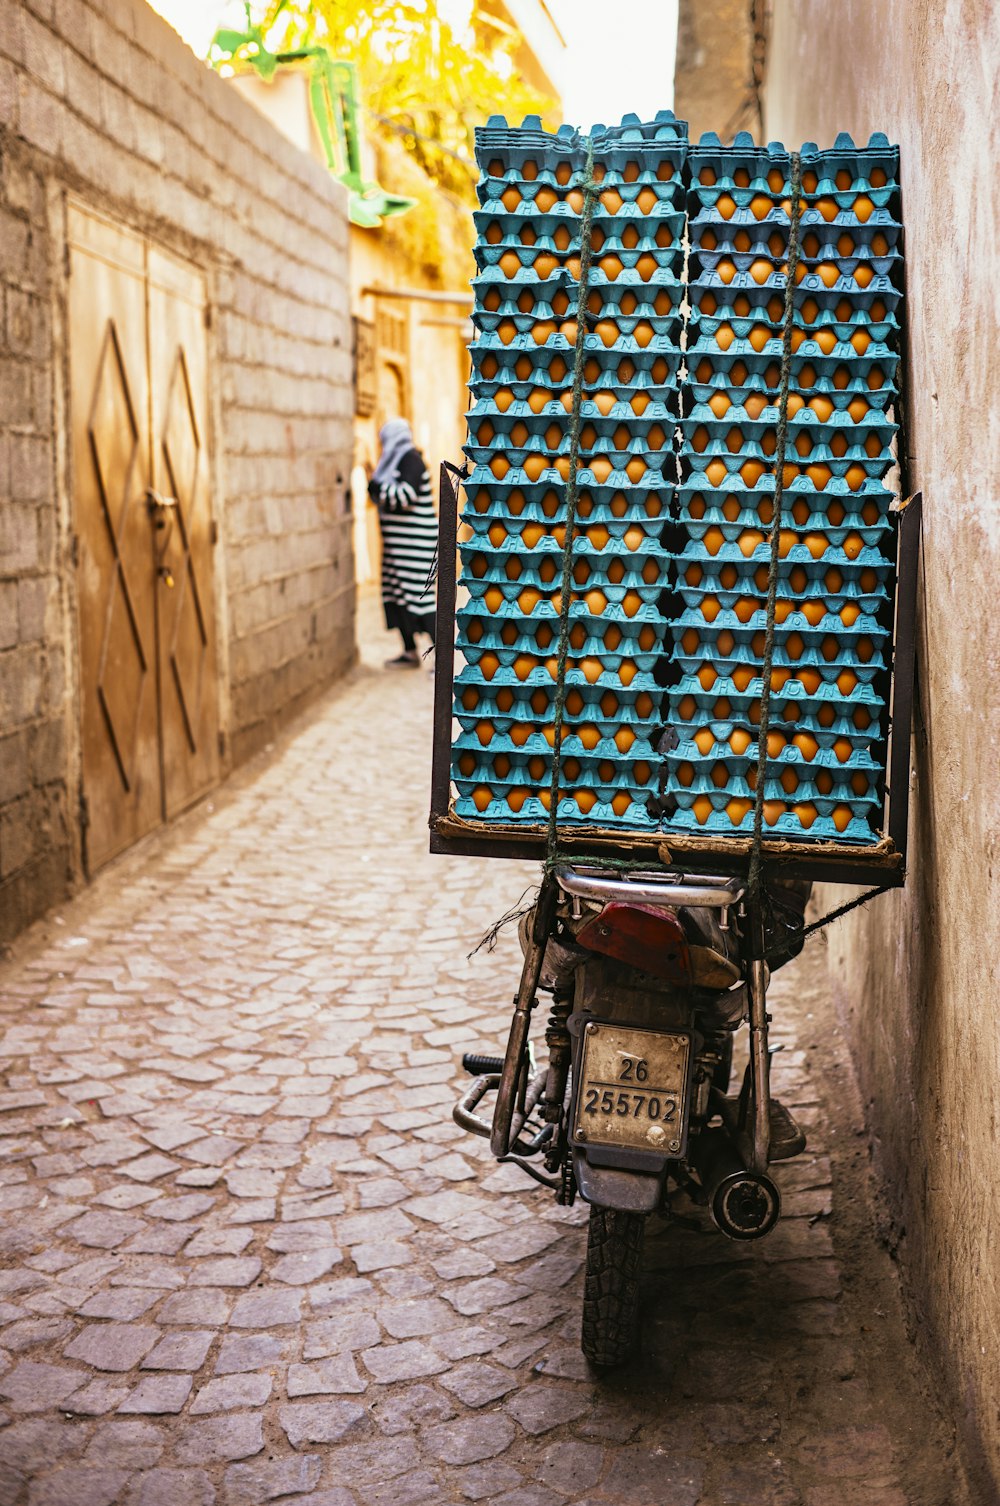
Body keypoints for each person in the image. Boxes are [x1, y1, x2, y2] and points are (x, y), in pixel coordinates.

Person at [367, 419, 438, 667]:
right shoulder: (393, 462)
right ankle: (409, 652)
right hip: (397, 548)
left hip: (416, 547)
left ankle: (442, 659)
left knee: (421, 599)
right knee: (396, 596)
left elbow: (406, 496)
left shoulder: (410, 460)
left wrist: (376, 486)